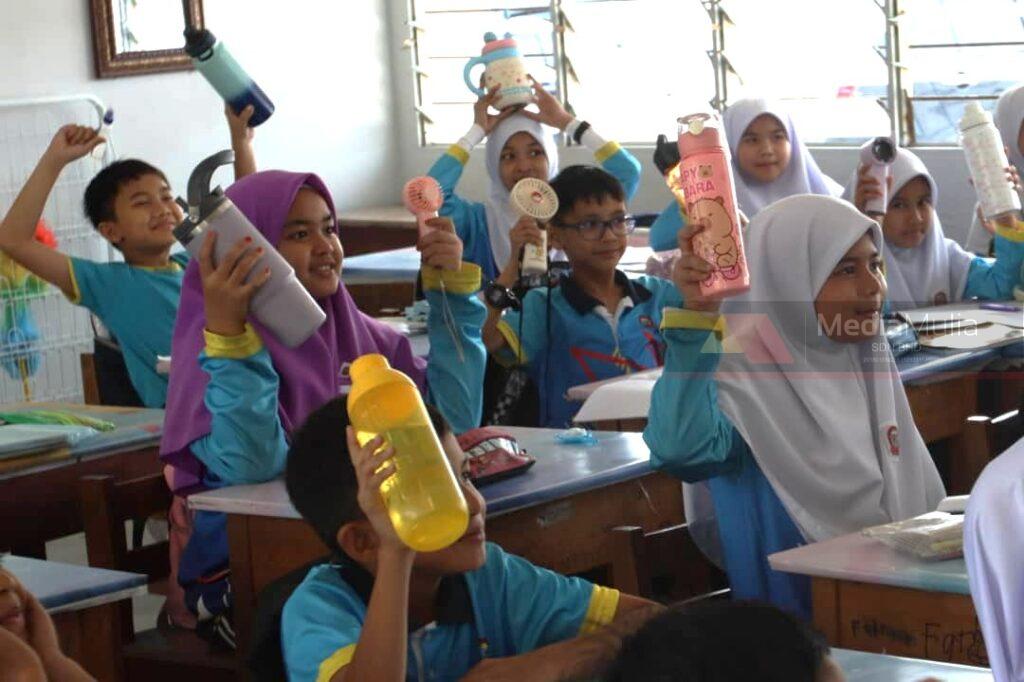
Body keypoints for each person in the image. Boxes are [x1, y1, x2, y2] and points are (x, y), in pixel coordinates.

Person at [645, 195, 945, 617]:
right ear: (785, 279)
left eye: (875, 265)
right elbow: (679, 450)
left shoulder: (862, 359)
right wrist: (696, 318)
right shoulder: (740, 379)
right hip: (790, 632)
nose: (872, 286)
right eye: (845, 269)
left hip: (899, 607)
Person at [281, 396, 661, 681]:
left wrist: (534, 667)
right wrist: (396, 552)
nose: (475, 503)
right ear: (363, 542)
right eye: (436, 492)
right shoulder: (320, 609)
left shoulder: (491, 577)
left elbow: (652, 620)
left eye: (464, 476)